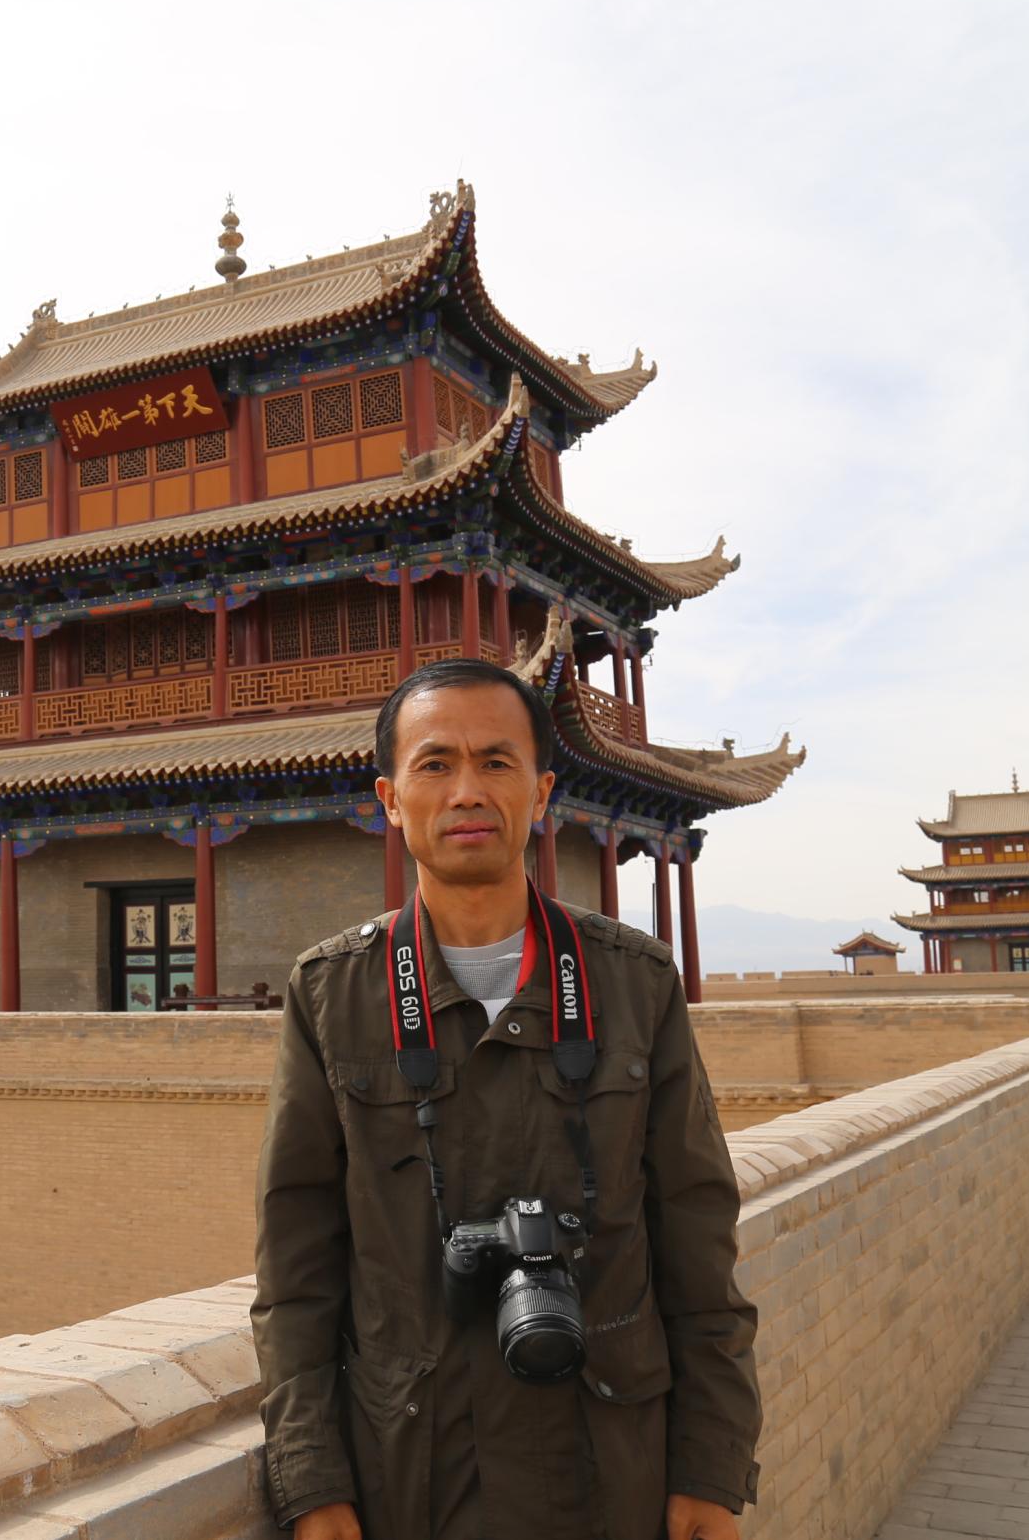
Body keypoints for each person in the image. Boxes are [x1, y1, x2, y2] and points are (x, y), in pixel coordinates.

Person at [252, 659, 759, 1540]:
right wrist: (310, 1478)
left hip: (614, 1467)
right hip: (409, 1475)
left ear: (541, 792)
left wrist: (712, 1464)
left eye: (496, 762)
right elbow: (296, 1264)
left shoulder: (633, 984)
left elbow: (698, 1242)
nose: (467, 791)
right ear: (390, 799)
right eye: (435, 763)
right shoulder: (334, 994)